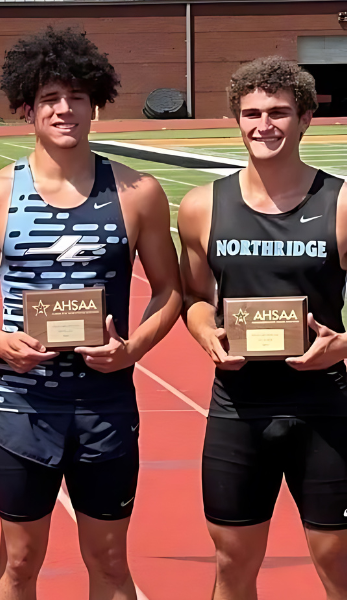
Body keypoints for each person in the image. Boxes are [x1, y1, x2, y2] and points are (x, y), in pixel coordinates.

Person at [0, 27, 181, 600]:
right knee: (19, 563)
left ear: (94, 103)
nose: (64, 108)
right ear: (27, 107)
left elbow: (170, 291)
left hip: (105, 404)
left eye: (76, 96)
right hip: (24, 404)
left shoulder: (137, 193)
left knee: (109, 563)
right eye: (49, 97)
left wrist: (132, 349)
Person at [178, 56, 347, 600]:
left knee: (338, 563)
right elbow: (195, 299)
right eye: (251, 114)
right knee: (232, 565)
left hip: (325, 406)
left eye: (278, 112)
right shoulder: (202, 205)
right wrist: (206, 334)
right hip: (238, 407)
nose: (263, 125)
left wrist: (343, 345)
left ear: (305, 118)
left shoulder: (341, 203)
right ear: (237, 119)